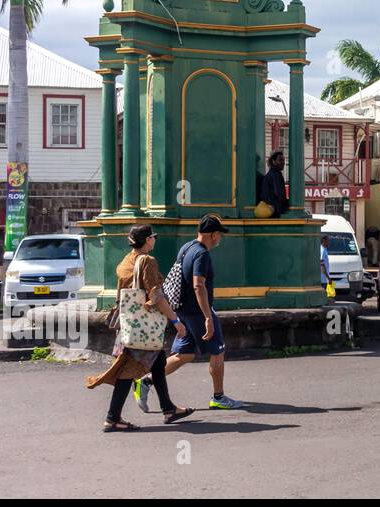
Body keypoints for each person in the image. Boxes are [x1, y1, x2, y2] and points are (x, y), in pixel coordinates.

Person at [88, 224, 194, 431]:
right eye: (153, 236)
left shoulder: (126, 261)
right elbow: (156, 296)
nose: (155, 240)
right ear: (147, 240)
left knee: (158, 362)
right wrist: (175, 321)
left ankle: (168, 408)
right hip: (144, 327)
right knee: (128, 370)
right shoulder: (147, 261)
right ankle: (112, 418)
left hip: (129, 324)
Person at [160, 214, 244, 409]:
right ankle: (218, 397)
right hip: (198, 312)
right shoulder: (202, 254)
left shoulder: (187, 247)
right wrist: (208, 317)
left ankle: (145, 380)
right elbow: (199, 285)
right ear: (213, 235)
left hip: (183, 310)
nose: (220, 238)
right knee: (217, 351)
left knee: (185, 354)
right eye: (220, 234)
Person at [259, 151, 289, 217]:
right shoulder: (275, 175)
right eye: (280, 160)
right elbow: (278, 194)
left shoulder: (272, 174)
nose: (283, 163)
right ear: (274, 161)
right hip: (275, 211)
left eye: (283, 160)